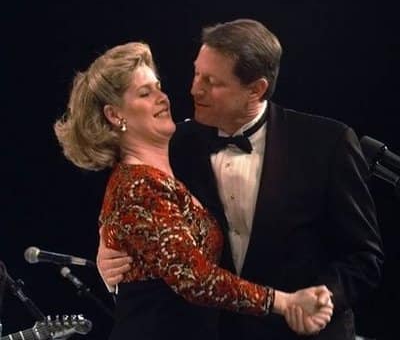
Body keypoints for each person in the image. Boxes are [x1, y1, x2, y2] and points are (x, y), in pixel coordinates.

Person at [97, 19, 384, 339]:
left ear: (256, 89)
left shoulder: (327, 143)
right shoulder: (172, 145)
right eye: (196, 73)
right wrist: (105, 250)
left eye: (212, 81)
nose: (194, 89)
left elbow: (364, 256)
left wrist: (325, 296)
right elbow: (135, 214)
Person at [54, 41, 334, 340]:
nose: (163, 98)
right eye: (145, 93)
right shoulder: (137, 184)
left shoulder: (183, 156)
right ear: (114, 115)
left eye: (158, 87)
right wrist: (284, 302)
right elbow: (194, 277)